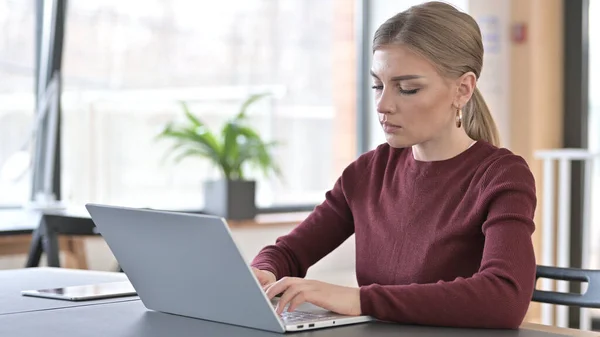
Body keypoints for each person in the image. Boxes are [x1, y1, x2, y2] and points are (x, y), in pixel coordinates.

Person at [251, 1, 536, 329]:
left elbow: (504, 298)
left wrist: (360, 299)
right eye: (378, 85)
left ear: (463, 89)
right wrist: (263, 272)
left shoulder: (501, 176)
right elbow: (289, 252)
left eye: (407, 89)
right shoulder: (367, 172)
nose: (383, 104)